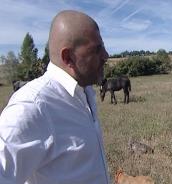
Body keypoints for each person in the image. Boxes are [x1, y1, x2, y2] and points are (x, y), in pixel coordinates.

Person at [0, 10, 111, 184]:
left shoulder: (84, 91)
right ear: (68, 57)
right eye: (97, 49)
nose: (106, 55)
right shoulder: (31, 107)